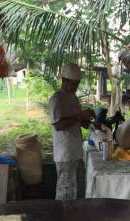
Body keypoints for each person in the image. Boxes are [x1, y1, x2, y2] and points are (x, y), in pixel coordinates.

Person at [48, 64, 95, 200]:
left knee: (76, 190)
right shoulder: (56, 100)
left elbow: (78, 122)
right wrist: (80, 116)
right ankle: (61, 218)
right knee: (65, 192)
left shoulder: (73, 98)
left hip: (76, 152)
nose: (76, 87)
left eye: (77, 84)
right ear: (64, 81)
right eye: (73, 84)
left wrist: (92, 124)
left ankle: (74, 217)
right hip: (65, 154)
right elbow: (58, 125)